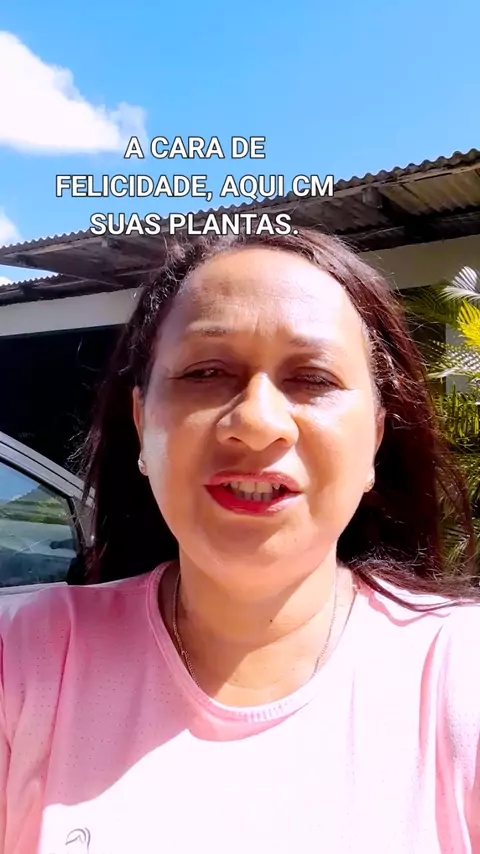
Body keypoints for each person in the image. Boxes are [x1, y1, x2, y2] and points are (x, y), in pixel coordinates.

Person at [0, 227, 479, 854]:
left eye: (313, 377)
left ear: (375, 439)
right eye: (206, 371)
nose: (256, 422)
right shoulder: (24, 661)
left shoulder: (460, 677)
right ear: (142, 424)